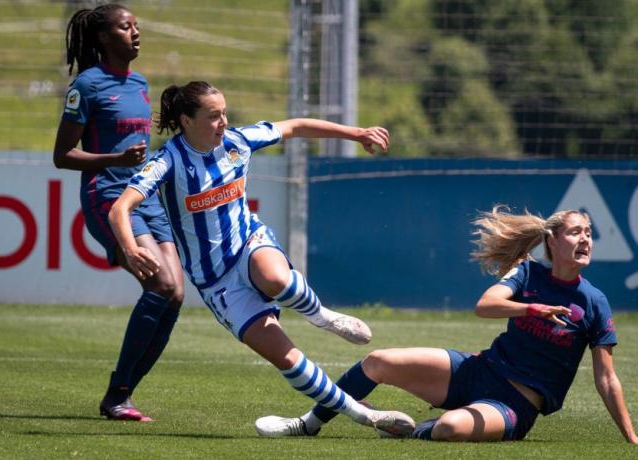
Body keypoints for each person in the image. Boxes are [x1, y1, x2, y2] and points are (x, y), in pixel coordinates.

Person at [107, 80, 415, 434]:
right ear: (186, 121)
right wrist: (131, 250)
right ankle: (367, 416)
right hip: (218, 284)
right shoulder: (168, 161)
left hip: (249, 244)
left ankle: (323, 317)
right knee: (289, 361)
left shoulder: (238, 142)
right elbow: (121, 207)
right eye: (213, 116)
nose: (223, 122)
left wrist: (357, 133)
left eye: (224, 113)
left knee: (276, 278)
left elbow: (295, 126)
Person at [256, 206, 638, 443]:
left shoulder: (594, 302)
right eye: (576, 232)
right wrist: (530, 309)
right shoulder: (527, 274)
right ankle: (309, 424)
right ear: (553, 242)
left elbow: (606, 379)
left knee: (448, 430)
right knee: (378, 361)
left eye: (589, 233)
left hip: (515, 405)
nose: (585, 239)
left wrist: (631, 437)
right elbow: (485, 305)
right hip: (478, 371)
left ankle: (410, 427)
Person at [53, 3, 184, 422]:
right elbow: (62, 155)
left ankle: (121, 393)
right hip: (108, 198)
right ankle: (118, 394)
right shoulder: (87, 86)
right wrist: (114, 157)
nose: (136, 33)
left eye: (136, 26)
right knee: (160, 284)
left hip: (146, 197)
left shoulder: (140, 82)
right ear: (105, 38)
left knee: (176, 293)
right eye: (126, 27)